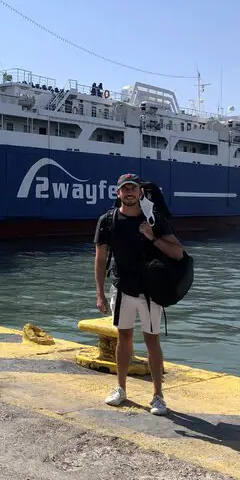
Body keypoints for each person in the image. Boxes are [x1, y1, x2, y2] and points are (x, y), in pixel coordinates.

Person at [93, 173, 184, 415]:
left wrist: (152, 237)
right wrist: (100, 293)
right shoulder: (107, 220)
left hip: (150, 292)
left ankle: (158, 396)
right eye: (125, 188)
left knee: (152, 341)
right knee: (124, 338)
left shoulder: (154, 220)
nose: (130, 192)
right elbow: (100, 258)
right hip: (122, 288)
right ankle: (120, 389)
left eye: (134, 188)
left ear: (140, 192)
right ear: (118, 193)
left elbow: (177, 253)